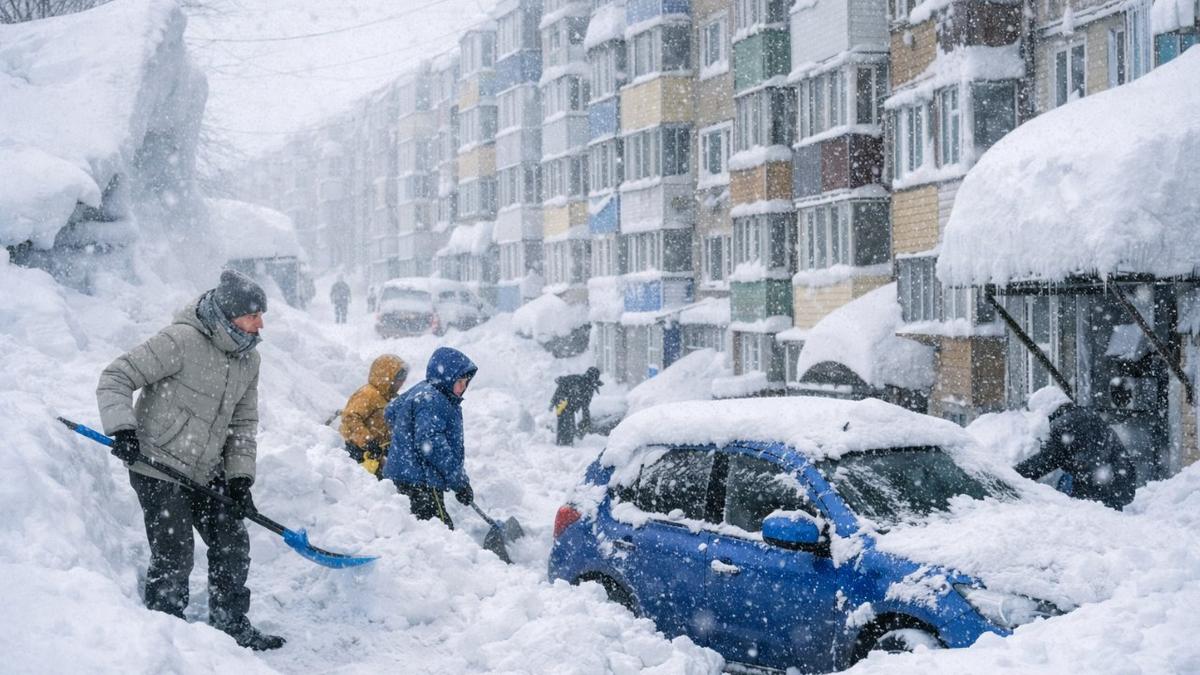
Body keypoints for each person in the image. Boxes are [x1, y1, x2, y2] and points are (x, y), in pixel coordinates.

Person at [95, 270, 285, 651]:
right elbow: (116, 376)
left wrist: (239, 478)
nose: (260, 323)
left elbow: (243, 423)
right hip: (156, 463)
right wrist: (124, 430)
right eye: (253, 315)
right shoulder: (180, 340)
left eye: (261, 315)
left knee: (232, 539)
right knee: (175, 551)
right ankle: (167, 634)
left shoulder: (249, 359)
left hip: (206, 467)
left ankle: (230, 623)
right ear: (229, 315)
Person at [383, 347, 477, 528]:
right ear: (447, 378)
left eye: (466, 382)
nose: (463, 387)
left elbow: (392, 411)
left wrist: (405, 442)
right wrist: (459, 482)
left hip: (407, 475)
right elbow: (432, 445)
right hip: (422, 480)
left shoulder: (425, 390)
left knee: (413, 529)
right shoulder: (433, 399)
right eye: (459, 382)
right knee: (440, 532)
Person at [1015, 385, 1138, 510]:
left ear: (1046, 409)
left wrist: (1013, 474)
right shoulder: (1084, 414)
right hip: (1119, 482)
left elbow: (1048, 460)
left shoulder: (1064, 423)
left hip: (1100, 487)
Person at [340, 354, 408, 478]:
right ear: (386, 376)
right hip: (360, 453)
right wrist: (367, 441)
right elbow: (350, 418)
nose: (401, 382)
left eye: (403, 378)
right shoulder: (368, 394)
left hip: (377, 453)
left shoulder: (388, 398)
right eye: (399, 378)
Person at [550, 367, 603, 446]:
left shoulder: (589, 386)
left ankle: (566, 442)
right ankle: (564, 442)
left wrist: (586, 419)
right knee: (565, 421)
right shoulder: (577, 379)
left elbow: (585, 405)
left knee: (569, 422)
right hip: (562, 401)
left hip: (569, 404)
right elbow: (561, 382)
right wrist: (554, 401)